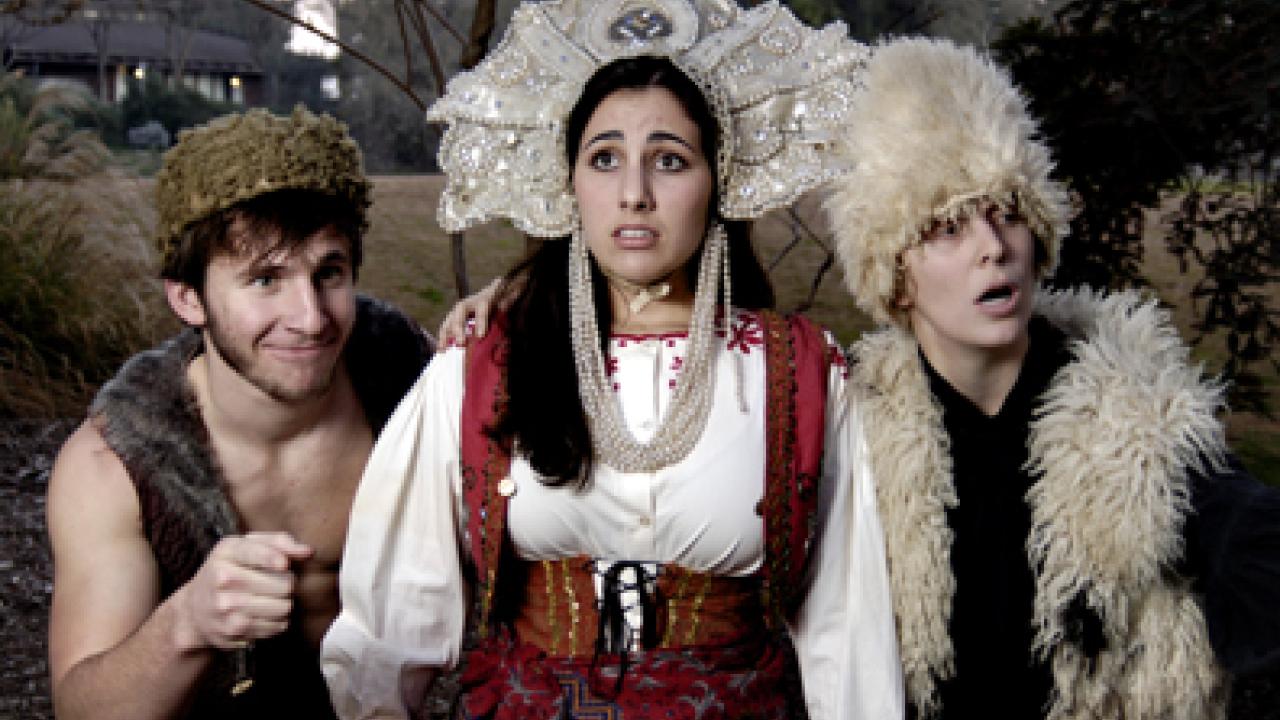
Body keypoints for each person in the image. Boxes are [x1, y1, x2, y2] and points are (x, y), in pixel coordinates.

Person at [320, 0, 902, 717]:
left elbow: (848, 629)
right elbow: (392, 622)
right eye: (605, 159)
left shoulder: (798, 374)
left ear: (715, 182)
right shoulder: (482, 365)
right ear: (570, 185)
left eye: (669, 160)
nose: (634, 194)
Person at [825, 37, 1280, 719]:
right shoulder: (852, 429)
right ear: (895, 275)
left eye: (1007, 212)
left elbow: (1246, 532)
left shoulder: (1139, 416)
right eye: (948, 227)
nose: (993, 247)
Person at [45, 107, 434, 720]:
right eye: (265, 280)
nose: (310, 317)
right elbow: (82, 710)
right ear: (187, 297)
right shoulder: (114, 466)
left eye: (328, 273)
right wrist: (186, 623)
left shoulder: (407, 377)